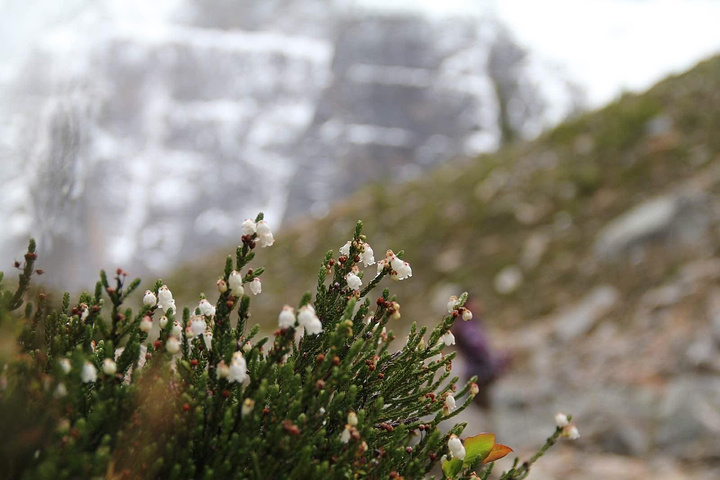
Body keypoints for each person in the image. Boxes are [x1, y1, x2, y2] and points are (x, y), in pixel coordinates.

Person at [452, 298, 510, 410]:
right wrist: (495, 361)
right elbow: (477, 347)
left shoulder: (470, 324)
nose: (479, 305)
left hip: (477, 372)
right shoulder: (467, 326)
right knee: (489, 410)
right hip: (479, 373)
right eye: (475, 303)